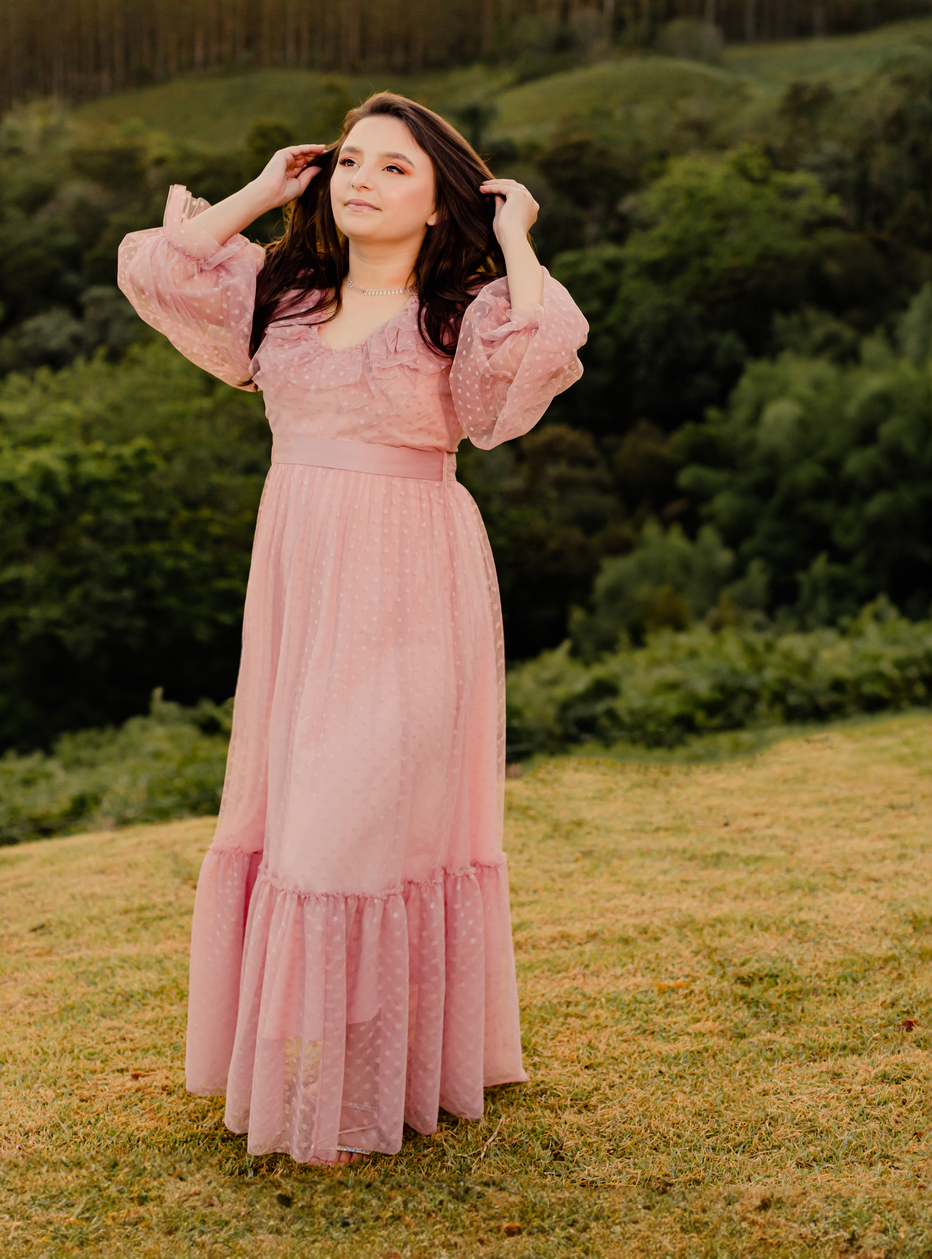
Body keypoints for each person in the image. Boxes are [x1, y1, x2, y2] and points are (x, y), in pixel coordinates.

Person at [117, 91, 588, 1166]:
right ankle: (332, 1061)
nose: (363, 180)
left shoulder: (462, 314)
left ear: (441, 203)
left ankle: (364, 1082)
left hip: (412, 582)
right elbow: (160, 268)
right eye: (352, 161)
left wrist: (516, 235)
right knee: (308, 824)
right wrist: (259, 191)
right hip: (302, 582)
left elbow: (535, 359)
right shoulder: (282, 294)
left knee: (358, 825)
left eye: (395, 167)